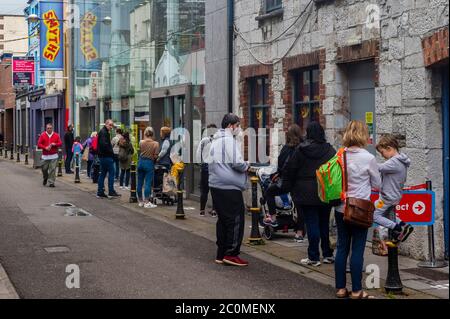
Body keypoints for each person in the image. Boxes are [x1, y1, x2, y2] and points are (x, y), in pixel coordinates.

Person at [334, 120, 381, 299]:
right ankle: (356, 290)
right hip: (360, 208)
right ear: (363, 135)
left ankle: (340, 288)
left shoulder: (340, 155)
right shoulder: (368, 158)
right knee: (358, 250)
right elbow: (377, 183)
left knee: (342, 247)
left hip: (341, 208)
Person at [284, 122, 336, 266]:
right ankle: (327, 254)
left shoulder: (301, 149)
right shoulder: (330, 150)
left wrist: (289, 187)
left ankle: (313, 256)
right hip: (325, 191)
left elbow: (290, 169)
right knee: (324, 223)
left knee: (312, 223)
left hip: (305, 191)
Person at [209, 113, 249, 267]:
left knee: (223, 220)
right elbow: (237, 163)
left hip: (216, 184)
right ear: (231, 126)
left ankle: (221, 253)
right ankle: (231, 254)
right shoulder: (228, 140)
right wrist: (247, 165)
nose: (238, 129)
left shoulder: (215, 140)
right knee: (236, 219)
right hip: (229, 187)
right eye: (237, 125)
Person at [265, 124, 303, 241]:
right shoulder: (303, 147)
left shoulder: (286, 148)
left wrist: (277, 174)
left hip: (287, 181)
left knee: (269, 192)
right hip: (299, 182)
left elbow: (281, 165)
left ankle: (274, 218)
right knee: (299, 206)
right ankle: (300, 232)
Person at [374, 134, 414, 245]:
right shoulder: (400, 160)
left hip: (387, 197)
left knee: (375, 215)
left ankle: (398, 228)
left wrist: (365, 162)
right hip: (394, 195)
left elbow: (378, 168)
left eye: (382, 152)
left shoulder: (394, 162)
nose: (382, 156)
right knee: (388, 216)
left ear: (389, 148)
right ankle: (404, 225)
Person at [196, 124, 218, 217]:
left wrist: (199, 163)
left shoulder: (204, 140)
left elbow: (198, 153)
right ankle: (214, 211)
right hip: (216, 167)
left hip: (205, 167)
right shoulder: (218, 141)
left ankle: (202, 210)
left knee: (204, 190)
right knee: (214, 190)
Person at [97, 119, 121, 198]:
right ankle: (111, 191)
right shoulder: (104, 133)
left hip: (103, 156)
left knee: (103, 174)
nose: (111, 127)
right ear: (106, 124)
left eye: (112, 125)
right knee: (112, 173)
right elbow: (105, 145)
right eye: (110, 125)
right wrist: (111, 153)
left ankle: (100, 191)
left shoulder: (104, 132)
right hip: (106, 156)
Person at [137, 127, 159, 208]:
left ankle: (140, 201)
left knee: (139, 182)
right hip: (149, 163)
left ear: (145, 134)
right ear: (152, 134)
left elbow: (140, 151)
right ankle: (146, 201)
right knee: (148, 183)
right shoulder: (155, 144)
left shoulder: (141, 142)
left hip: (140, 162)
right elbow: (156, 156)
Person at [37, 123, 63, 188]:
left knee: (52, 169)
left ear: (52, 128)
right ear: (46, 128)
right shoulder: (43, 135)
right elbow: (39, 144)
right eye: (48, 128)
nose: (49, 129)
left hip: (54, 155)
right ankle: (45, 177)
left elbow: (60, 143)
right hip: (45, 156)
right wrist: (45, 147)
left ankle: (51, 182)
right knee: (44, 169)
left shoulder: (56, 135)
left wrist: (55, 144)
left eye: (50, 128)